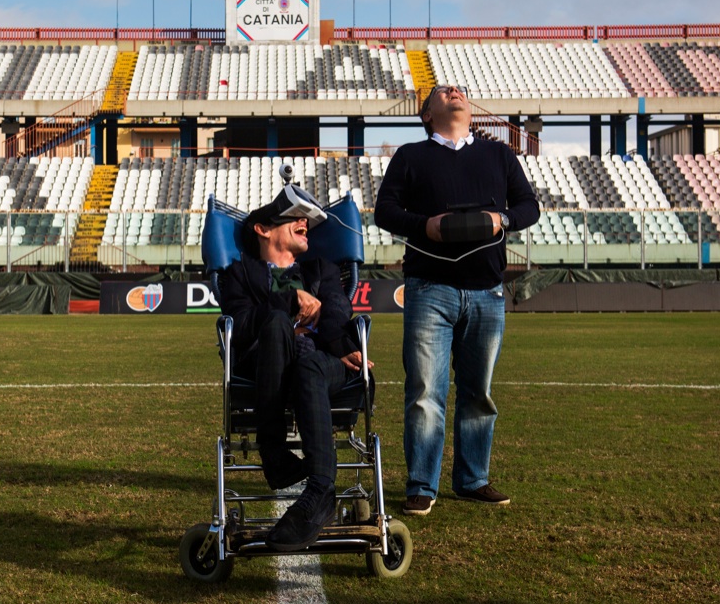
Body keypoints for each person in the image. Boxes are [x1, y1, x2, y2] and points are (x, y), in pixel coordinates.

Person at [374, 85, 539, 515]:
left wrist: (499, 218)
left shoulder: (499, 155)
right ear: (427, 114)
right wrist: (425, 226)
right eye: (442, 93)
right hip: (429, 288)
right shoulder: (410, 156)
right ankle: (421, 485)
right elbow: (384, 211)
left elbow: (529, 206)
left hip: (487, 291)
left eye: (459, 91)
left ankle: (472, 479)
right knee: (425, 390)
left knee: (478, 392)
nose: (454, 92)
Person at [219, 190, 373, 551]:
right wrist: (288, 302)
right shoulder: (240, 274)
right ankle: (275, 454)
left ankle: (319, 492)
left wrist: (342, 346)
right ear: (263, 229)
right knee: (274, 322)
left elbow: (336, 312)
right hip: (265, 369)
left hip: (323, 364)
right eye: (293, 217)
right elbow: (239, 326)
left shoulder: (322, 269)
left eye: (307, 219)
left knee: (307, 366)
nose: (305, 222)